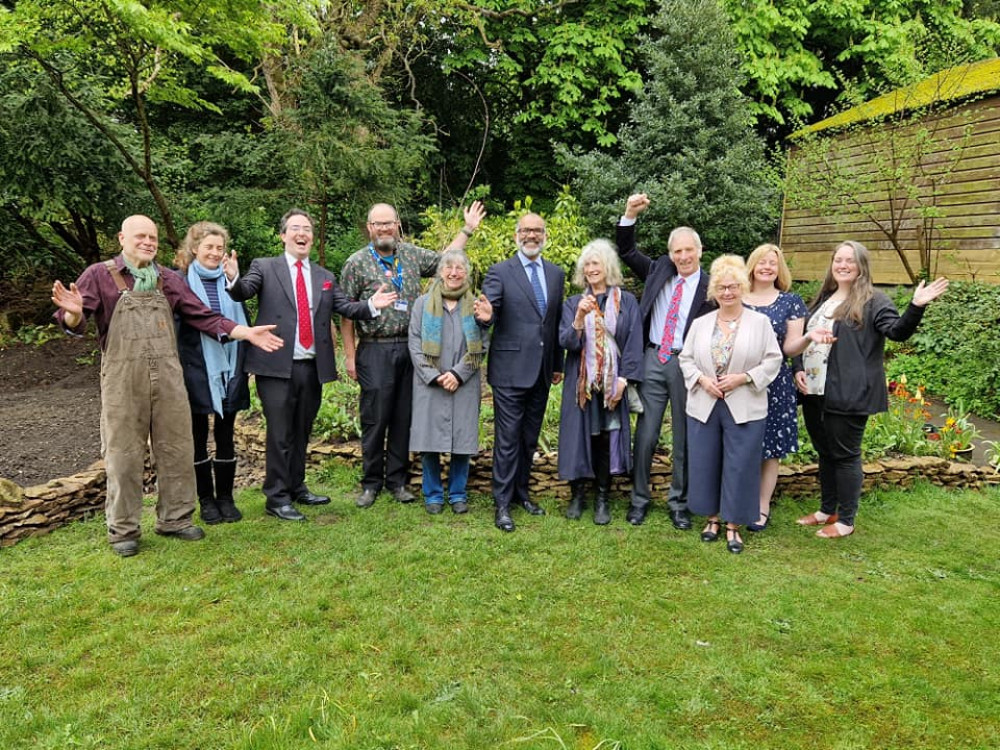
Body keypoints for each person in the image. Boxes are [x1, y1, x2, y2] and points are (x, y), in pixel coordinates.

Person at [51, 215, 284, 557]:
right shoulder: (99, 275)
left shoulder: (168, 279)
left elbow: (203, 316)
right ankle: (124, 529)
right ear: (122, 238)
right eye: (140, 236)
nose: (147, 242)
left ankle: (176, 519)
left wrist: (245, 332)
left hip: (169, 378)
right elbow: (74, 319)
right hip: (122, 380)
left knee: (177, 448)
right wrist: (73, 314)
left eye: (153, 237)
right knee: (123, 455)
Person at [226, 208, 397, 522]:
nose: (302, 234)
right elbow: (243, 291)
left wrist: (372, 305)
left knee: (302, 430)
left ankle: (296, 486)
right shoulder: (264, 267)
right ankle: (276, 497)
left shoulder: (324, 277)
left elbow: (345, 306)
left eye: (307, 229)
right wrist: (233, 277)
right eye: (295, 228)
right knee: (280, 433)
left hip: (311, 367)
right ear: (283, 235)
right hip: (275, 367)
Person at [794, 241, 948, 538]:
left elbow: (897, 331)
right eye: (838, 259)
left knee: (846, 454)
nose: (842, 265)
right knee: (825, 451)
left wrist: (916, 306)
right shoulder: (823, 298)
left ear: (861, 265)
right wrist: (798, 366)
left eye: (849, 260)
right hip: (814, 390)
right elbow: (805, 337)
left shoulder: (874, 300)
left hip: (849, 392)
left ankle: (846, 521)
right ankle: (828, 510)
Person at [340, 201, 486, 509]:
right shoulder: (356, 263)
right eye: (378, 224)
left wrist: (467, 230)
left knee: (404, 418)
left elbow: (447, 260)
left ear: (397, 225)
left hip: (408, 347)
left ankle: (397, 481)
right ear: (369, 228)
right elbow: (346, 313)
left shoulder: (409, 254)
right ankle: (370, 484)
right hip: (375, 348)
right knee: (375, 418)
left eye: (389, 223)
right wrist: (350, 355)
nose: (384, 228)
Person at [616, 193, 715, 528]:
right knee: (646, 433)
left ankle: (679, 503)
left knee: (684, 436)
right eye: (677, 250)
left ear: (699, 251)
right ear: (671, 254)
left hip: (688, 366)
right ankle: (639, 500)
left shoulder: (711, 287)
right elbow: (627, 251)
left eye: (689, 250)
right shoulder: (659, 271)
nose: (683, 256)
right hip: (652, 358)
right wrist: (630, 214)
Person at [679, 255, 782, 554]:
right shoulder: (700, 324)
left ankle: (733, 525)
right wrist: (702, 380)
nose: (727, 292)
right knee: (705, 463)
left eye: (733, 286)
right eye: (722, 287)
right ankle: (711, 519)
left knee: (740, 466)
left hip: (745, 405)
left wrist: (744, 378)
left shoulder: (759, 323)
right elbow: (685, 358)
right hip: (705, 403)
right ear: (714, 291)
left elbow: (773, 360)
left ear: (743, 288)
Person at [473, 212, 565, 532]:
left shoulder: (555, 274)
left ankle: (521, 493)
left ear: (544, 234)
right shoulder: (500, 272)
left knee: (528, 438)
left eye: (537, 230)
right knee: (508, 440)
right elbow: (489, 311)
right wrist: (486, 317)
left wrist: (557, 364)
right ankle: (501, 503)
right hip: (510, 371)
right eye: (526, 230)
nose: (531, 235)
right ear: (516, 234)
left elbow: (553, 324)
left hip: (541, 371)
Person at [742, 243, 829, 531]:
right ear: (752, 266)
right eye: (762, 262)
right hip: (740, 381)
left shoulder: (791, 302)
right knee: (740, 442)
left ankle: (762, 505)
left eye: (773, 263)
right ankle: (738, 499)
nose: (767, 267)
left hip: (774, 383)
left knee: (771, 447)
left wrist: (808, 339)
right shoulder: (737, 297)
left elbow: (791, 347)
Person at [557, 239, 643, 525]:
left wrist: (623, 380)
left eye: (597, 263)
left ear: (608, 268)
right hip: (582, 385)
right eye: (587, 265)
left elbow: (633, 343)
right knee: (579, 439)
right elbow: (567, 342)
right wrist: (580, 316)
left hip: (611, 384)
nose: (592, 269)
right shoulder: (573, 303)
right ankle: (578, 495)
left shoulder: (627, 301)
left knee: (606, 439)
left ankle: (603, 498)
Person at [174, 222, 251, 525]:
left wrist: (234, 279)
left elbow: (244, 320)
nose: (215, 253)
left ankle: (226, 498)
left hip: (230, 366)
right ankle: (206, 500)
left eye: (220, 248)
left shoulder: (232, 282)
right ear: (194, 249)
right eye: (209, 247)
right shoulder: (179, 281)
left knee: (225, 432)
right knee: (197, 435)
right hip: (195, 366)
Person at [407, 249, 488, 514]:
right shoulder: (422, 304)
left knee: (462, 440)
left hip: (463, 382)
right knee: (430, 440)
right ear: (441, 271)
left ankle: (457, 493)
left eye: (459, 268)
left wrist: (457, 374)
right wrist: (434, 375)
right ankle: (432, 495)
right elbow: (415, 344)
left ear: (467, 273)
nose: (454, 273)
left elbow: (481, 345)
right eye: (449, 267)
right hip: (430, 382)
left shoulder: (476, 305)